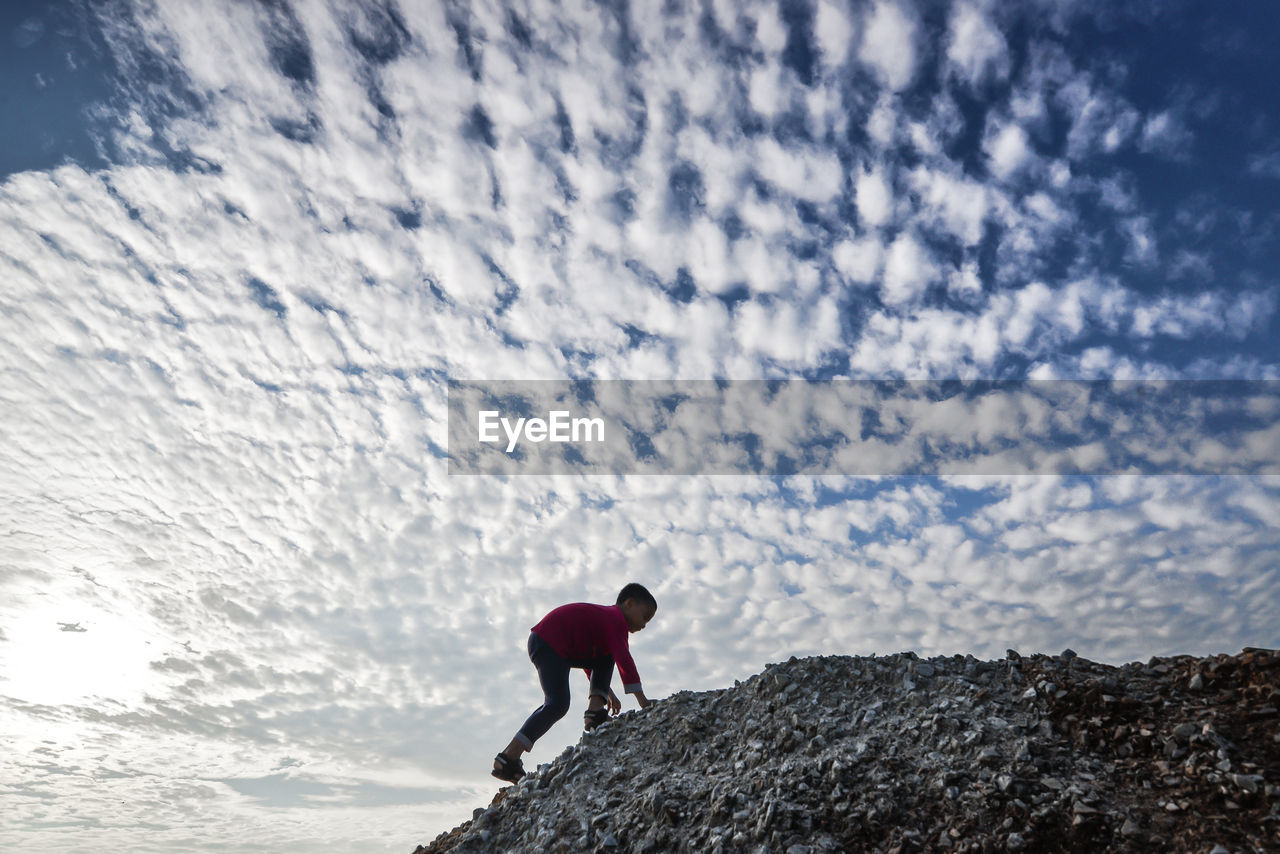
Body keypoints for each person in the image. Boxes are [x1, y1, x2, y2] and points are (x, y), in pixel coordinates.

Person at [491, 583, 657, 783]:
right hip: (548, 641)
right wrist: (642, 700)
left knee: (605, 656)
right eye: (645, 617)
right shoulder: (615, 620)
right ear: (629, 604)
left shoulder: (605, 621)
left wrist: (607, 693)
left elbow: (590, 659)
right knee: (557, 704)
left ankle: (595, 714)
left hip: (554, 644)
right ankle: (508, 757)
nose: (644, 625)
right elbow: (624, 659)